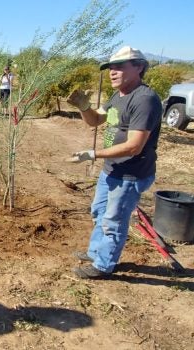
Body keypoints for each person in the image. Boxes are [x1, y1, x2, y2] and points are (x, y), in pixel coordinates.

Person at [65, 46, 162, 279]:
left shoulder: (144, 99)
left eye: (120, 67)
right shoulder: (117, 96)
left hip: (131, 173)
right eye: (110, 68)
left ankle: (104, 265)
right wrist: (84, 107)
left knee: (114, 220)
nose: (112, 72)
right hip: (112, 169)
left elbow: (134, 145)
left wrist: (93, 154)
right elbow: (95, 120)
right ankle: (96, 252)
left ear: (139, 67)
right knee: (99, 212)